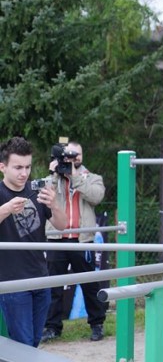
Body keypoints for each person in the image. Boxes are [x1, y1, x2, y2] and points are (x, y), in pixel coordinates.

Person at [0, 136, 66, 347]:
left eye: (28, 167)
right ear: (2, 167)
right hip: (12, 281)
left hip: (40, 276)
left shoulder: (36, 189)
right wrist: (6, 209)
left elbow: (62, 226)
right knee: (23, 344)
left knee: (34, 343)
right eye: (18, 167)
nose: (24, 173)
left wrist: (55, 205)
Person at [41, 141, 107, 343]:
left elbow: (96, 197)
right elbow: (42, 197)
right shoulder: (53, 178)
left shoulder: (92, 178)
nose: (72, 159)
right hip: (56, 238)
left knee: (89, 284)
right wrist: (54, 174)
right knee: (54, 285)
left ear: (82, 156)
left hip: (82, 238)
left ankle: (97, 324)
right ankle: (52, 327)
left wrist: (75, 177)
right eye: (68, 156)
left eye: (76, 155)